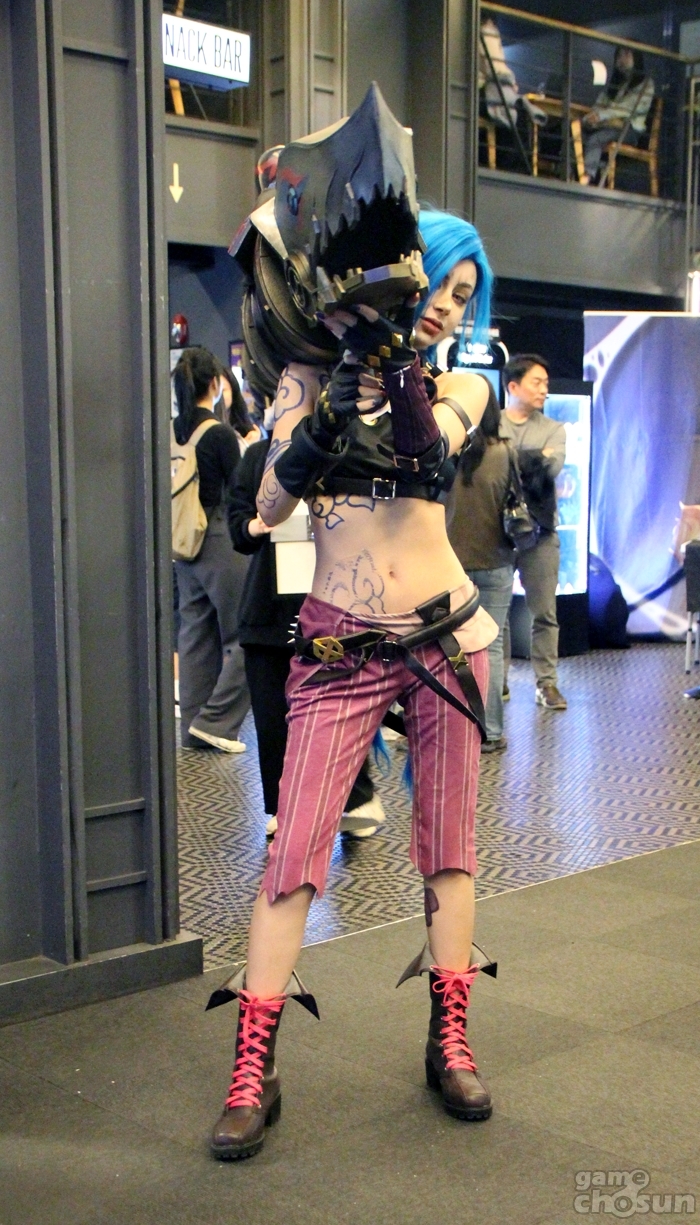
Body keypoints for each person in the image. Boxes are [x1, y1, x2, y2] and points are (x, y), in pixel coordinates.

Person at [207, 197, 501, 1161]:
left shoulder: (464, 386)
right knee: (294, 851)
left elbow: (427, 452)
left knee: (449, 851)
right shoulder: (304, 377)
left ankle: (450, 1041)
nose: (449, 305)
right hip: (339, 646)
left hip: (448, 636)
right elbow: (264, 507)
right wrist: (325, 409)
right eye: (442, 283)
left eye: (465, 296)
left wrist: (396, 371)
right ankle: (253, 1069)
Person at [228, 435, 386, 838]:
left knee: (342, 708)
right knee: (272, 718)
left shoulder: (350, 449)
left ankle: (354, 797)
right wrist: (257, 524)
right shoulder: (259, 456)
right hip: (269, 610)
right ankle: (281, 808)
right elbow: (238, 529)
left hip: (336, 606)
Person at [172, 346, 251, 752]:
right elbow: (239, 488)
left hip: (183, 542)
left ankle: (193, 726)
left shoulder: (172, 430)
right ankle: (217, 723)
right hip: (219, 536)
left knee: (195, 635)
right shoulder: (218, 433)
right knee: (245, 632)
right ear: (216, 384)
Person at [447, 382, 515, 752]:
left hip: (447, 564)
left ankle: (448, 729)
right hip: (496, 559)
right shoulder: (505, 452)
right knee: (491, 644)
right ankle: (490, 730)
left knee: (445, 647)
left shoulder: (445, 452)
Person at [500, 354, 567, 710]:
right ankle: (498, 683)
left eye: (546, 383)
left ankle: (547, 684)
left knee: (544, 613)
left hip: (540, 532)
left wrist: (512, 457)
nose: (544, 389)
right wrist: (534, 456)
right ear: (513, 386)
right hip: (496, 532)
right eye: (536, 382)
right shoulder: (492, 425)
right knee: (495, 614)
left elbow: (550, 468)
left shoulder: (554, 428)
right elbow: (488, 470)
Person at [580, 46, 654, 186]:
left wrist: (601, 116)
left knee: (597, 138)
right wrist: (591, 118)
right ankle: (573, 173)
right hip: (608, 126)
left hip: (629, 131)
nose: (621, 59)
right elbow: (600, 104)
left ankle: (586, 177)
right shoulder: (617, 85)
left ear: (636, 58)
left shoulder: (645, 84)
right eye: (619, 55)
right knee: (577, 132)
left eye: (626, 54)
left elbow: (625, 109)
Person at [219, 364, 263, 453]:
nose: (218, 396)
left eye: (223, 390)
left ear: (233, 391)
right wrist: (245, 446)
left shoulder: (246, 428)